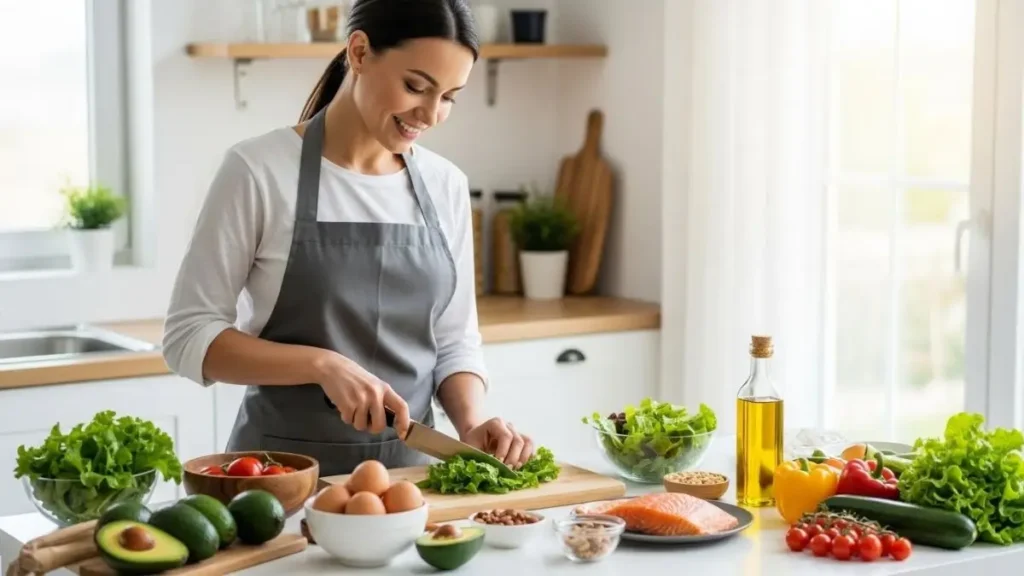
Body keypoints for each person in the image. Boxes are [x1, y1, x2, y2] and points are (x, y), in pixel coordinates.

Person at [161, 0, 534, 477]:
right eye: (416, 86)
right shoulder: (258, 170)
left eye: (449, 97)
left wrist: (472, 421)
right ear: (358, 53)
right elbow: (189, 337)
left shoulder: (445, 185)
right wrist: (321, 365)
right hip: (280, 482)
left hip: (412, 482)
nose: (432, 114)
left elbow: (454, 339)